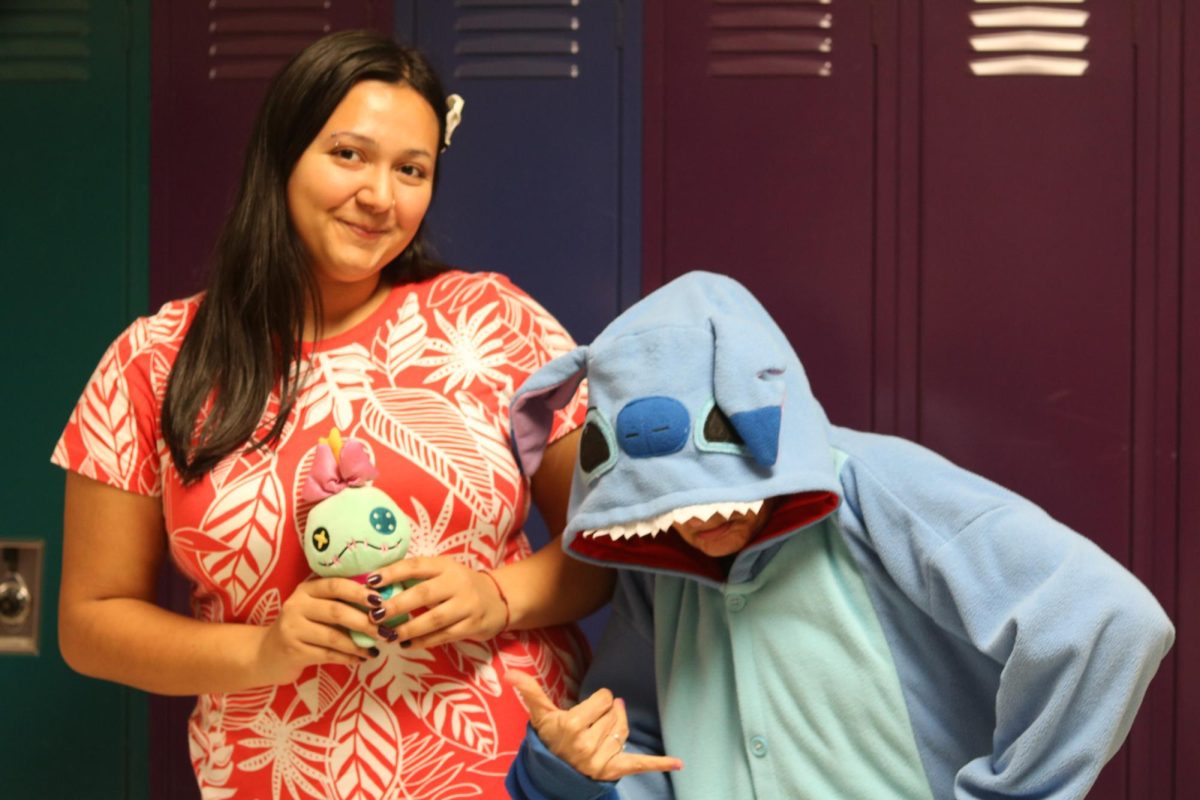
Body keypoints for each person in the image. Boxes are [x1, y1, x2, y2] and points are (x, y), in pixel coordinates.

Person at [52, 30, 612, 800]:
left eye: (411, 170)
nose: (381, 196)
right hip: (270, 776)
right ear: (282, 156)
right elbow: (91, 623)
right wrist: (263, 652)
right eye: (349, 154)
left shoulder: (495, 321)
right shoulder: (155, 360)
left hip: (509, 772)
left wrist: (497, 596)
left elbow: (605, 541)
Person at [502, 270, 1175, 799]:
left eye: (722, 484)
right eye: (676, 500)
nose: (703, 517)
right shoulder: (661, 556)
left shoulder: (880, 490)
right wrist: (564, 772)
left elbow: (1111, 621)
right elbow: (639, 742)